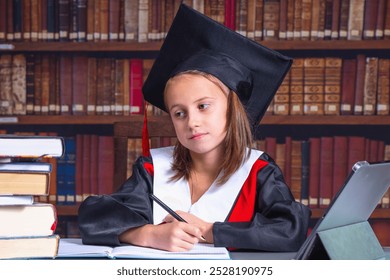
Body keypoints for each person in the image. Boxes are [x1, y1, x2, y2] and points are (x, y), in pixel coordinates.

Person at [78, 4, 311, 252]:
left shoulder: (258, 172)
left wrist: (209, 231)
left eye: (203, 106)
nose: (192, 122)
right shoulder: (153, 169)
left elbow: (290, 231)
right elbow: (94, 219)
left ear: (233, 110)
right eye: (179, 113)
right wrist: (147, 234)